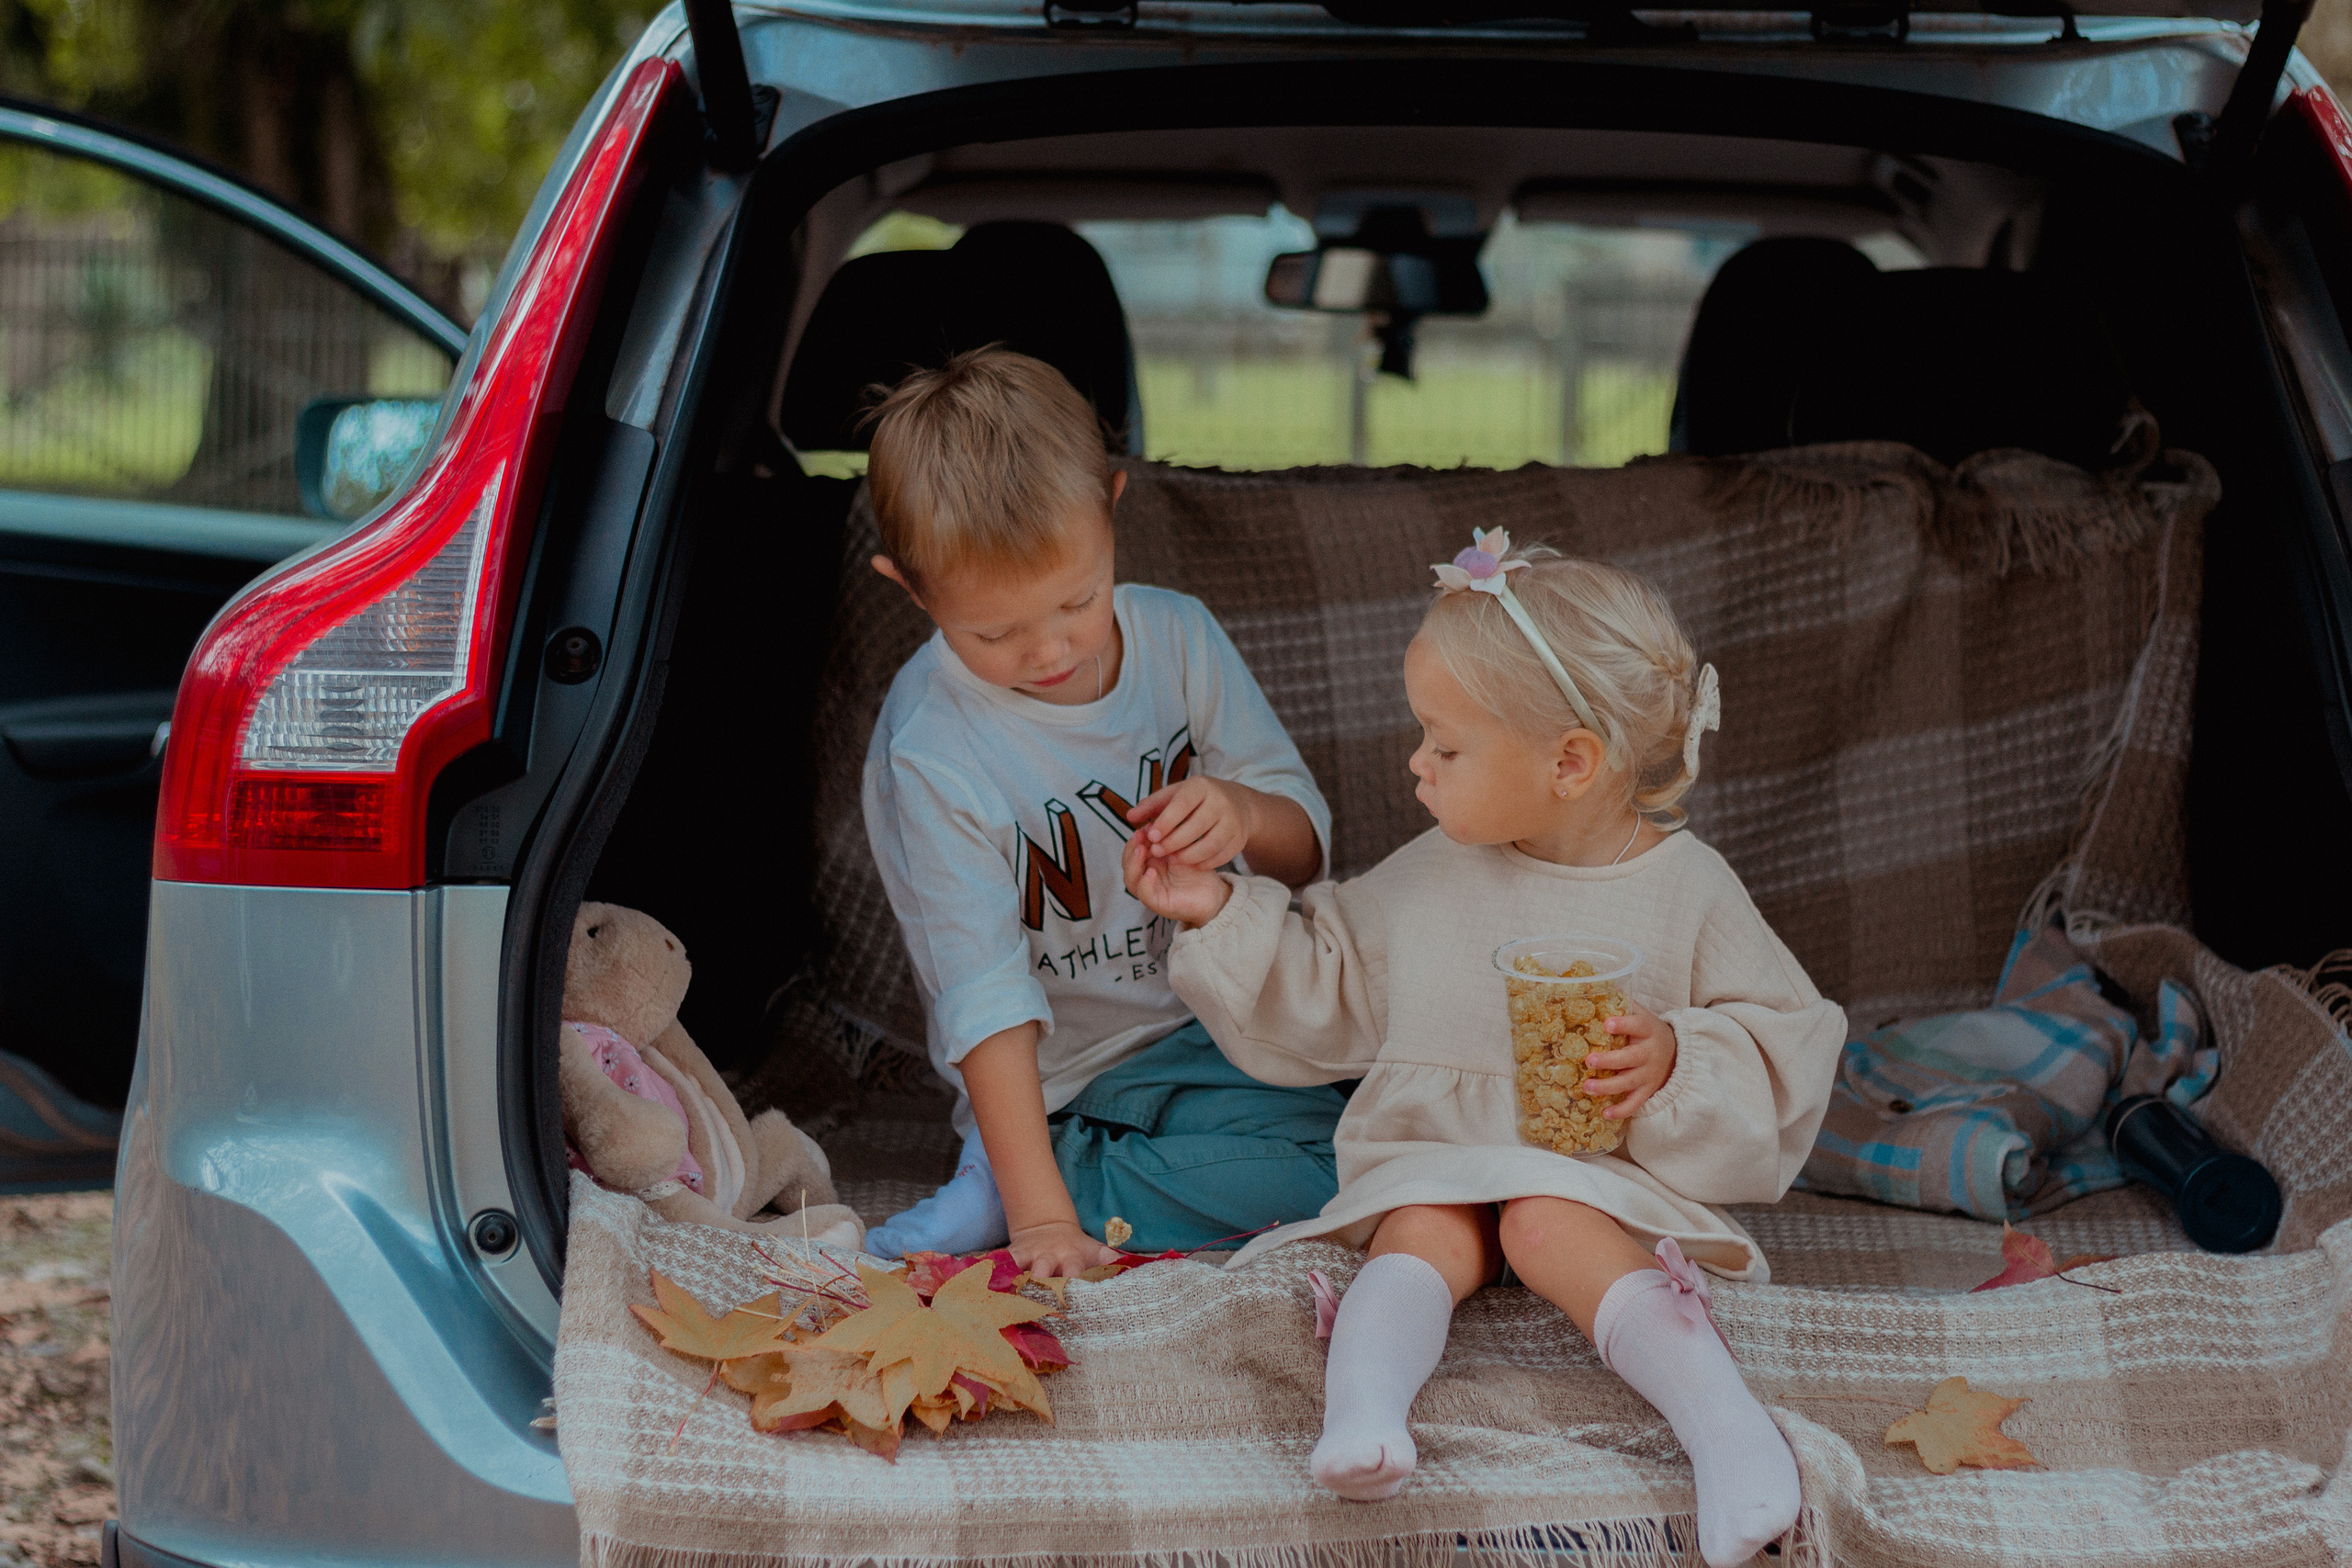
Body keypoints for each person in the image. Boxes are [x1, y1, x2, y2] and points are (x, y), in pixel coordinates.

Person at [1124, 531, 1845, 1568]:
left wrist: (1678, 1059)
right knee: (1420, 1223)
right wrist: (1218, 909)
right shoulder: (1432, 871)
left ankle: (1730, 1435)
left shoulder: (1690, 891)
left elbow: (1783, 1041)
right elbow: (1327, 979)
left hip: (1597, 1173)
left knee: (1549, 1226)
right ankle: (1364, 1412)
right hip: (1441, 1149)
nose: (1414, 763)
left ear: (1568, 763)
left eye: (1444, 745)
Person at [859, 345, 1346, 1280]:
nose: (1049, 650)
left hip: (1234, 1028)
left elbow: (1305, 853)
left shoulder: (1177, 640)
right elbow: (986, 999)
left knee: (1423, 1102)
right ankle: (1038, 1184)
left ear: (1113, 510)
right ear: (911, 589)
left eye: (1077, 601)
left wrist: (1242, 814)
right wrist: (1043, 1222)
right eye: (994, 632)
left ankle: (1027, 1187)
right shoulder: (932, 749)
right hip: (1074, 1090)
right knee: (1366, 1171)